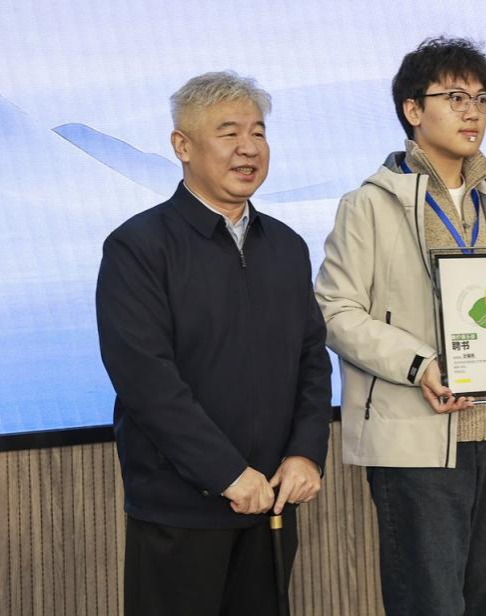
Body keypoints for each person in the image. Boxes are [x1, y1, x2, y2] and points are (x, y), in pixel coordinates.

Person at [315, 36, 486, 616]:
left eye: (482, 98)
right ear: (412, 110)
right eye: (454, 97)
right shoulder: (368, 204)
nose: (473, 112)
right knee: (430, 603)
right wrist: (420, 364)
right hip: (414, 441)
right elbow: (335, 312)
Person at [96, 71, 332, 616]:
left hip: (271, 502)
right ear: (182, 146)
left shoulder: (286, 246)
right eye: (229, 133)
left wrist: (306, 452)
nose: (249, 148)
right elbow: (146, 380)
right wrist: (225, 473)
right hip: (180, 509)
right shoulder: (139, 246)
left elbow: (311, 360)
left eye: (258, 132)